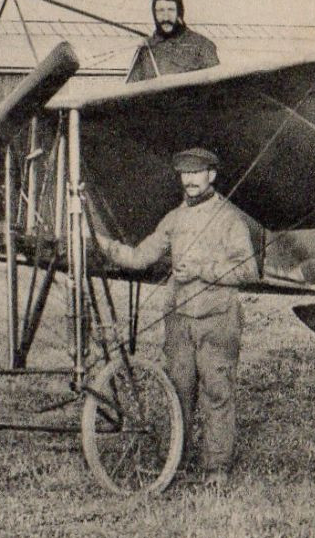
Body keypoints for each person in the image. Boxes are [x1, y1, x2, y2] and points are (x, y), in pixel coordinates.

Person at [93, 148, 257, 485]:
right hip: (180, 320)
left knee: (217, 391)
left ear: (212, 175)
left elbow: (249, 270)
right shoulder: (174, 218)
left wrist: (202, 269)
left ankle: (216, 468)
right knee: (178, 390)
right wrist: (101, 244)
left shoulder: (230, 218)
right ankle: (176, 462)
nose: (191, 180)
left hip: (218, 319)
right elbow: (140, 257)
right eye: (185, 174)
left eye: (198, 173)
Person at [126, 0, 219, 82]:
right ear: (154, 14)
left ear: (179, 13)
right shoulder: (145, 48)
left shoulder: (202, 46)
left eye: (171, 10)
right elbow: (131, 90)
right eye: (160, 11)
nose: (165, 17)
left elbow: (216, 87)